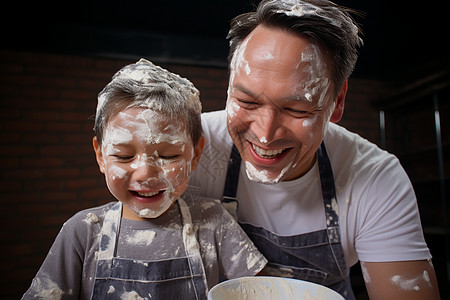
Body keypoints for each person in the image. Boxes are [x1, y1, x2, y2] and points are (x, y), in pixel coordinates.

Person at [189, 0, 441, 299]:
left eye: (296, 109)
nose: (265, 134)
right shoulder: (188, 148)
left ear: (338, 101)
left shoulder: (375, 176)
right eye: (248, 102)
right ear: (230, 87)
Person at [22, 59, 267, 300]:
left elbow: (264, 293)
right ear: (100, 155)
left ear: (195, 154)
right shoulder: (83, 233)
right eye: (124, 155)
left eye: (168, 155)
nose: (145, 174)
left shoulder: (214, 222)